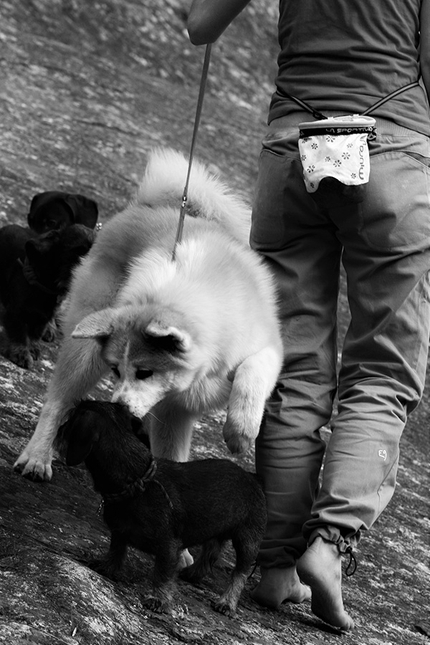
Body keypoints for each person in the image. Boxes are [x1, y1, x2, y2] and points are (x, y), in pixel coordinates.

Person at [187, 0, 430, 633]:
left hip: (292, 147)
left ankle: (273, 568)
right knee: (382, 365)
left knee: (291, 361)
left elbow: (198, 24)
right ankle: (331, 544)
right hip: (395, 150)